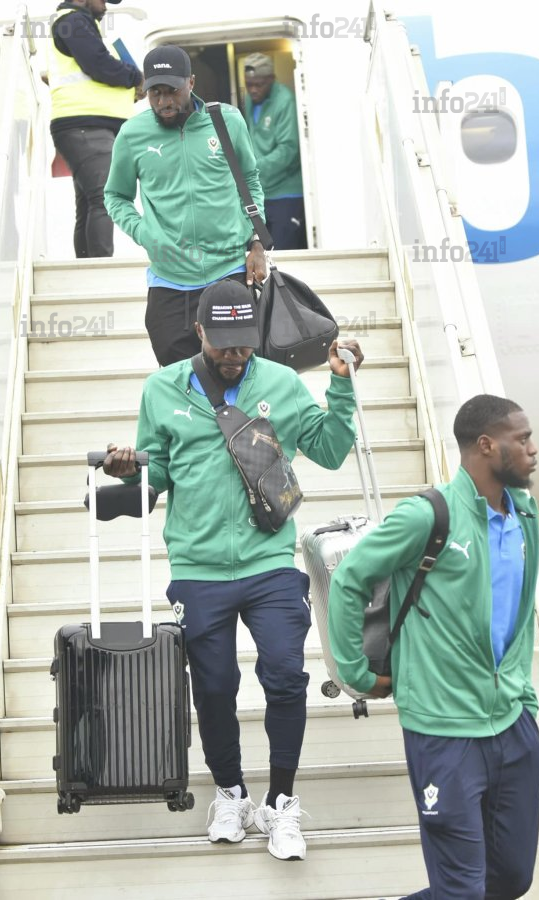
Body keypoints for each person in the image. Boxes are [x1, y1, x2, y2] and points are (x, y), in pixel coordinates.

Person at [103, 278, 364, 861]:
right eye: (222, 343)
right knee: (215, 686)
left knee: (285, 676)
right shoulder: (162, 389)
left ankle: (281, 803)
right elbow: (157, 473)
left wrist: (341, 387)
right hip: (197, 568)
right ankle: (231, 793)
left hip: (269, 560)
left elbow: (328, 449)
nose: (234, 353)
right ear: (199, 331)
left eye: (244, 342)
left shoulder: (281, 382)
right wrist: (129, 470)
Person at [328, 394, 539, 899]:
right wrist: (355, 674)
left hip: (513, 726)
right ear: (486, 445)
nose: (533, 449)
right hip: (444, 733)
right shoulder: (428, 515)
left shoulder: (525, 513)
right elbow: (349, 580)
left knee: (511, 880)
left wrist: (525, 699)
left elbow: (519, 615)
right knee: (461, 890)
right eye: (523, 439)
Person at [104, 45, 267, 367]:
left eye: (172, 91)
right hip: (169, 279)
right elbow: (115, 196)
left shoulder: (227, 121)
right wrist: (144, 233)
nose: (164, 102)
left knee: (237, 371)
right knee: (179, 378)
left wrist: (257, 240)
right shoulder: (132, 134)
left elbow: (249, 180)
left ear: (191, 83)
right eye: (155, 93)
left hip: (228, 271)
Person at [49, 0, 144, 258]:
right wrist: (135, 77)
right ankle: (99, 270)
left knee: (89, 202)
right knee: (103, 197)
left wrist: (129, 90)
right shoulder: (73, 21)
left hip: (84, 126)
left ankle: (87, 268)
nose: (105, 6)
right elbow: (99, 65)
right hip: (85, 125)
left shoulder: (77, 22)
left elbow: (96, 70)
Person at [243, 53, 307, 251]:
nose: (253, 90)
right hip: (261, 193)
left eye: (259, 84)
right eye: (249, 84)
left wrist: (251, 168)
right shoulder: (249, 99)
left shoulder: (285, 101)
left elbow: (289, 150)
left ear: (272, 79)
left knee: (284, 254)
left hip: (286, 193)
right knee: (261, 254)